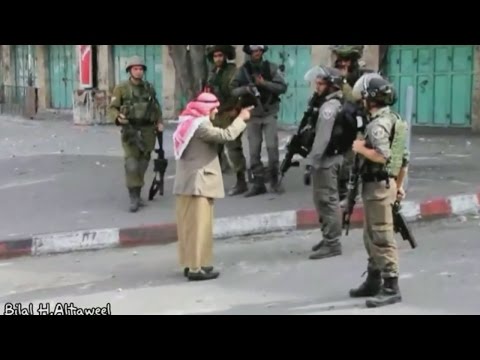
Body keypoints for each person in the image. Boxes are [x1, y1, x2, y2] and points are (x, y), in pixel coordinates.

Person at [172, 92, 253, 281]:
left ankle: (194, 263)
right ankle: (195, 268)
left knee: (192, 227)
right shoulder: (200, 126)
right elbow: (226, 135)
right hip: (198, 183)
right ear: (204, 109)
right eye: (213, 108)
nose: (216, 111)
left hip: (191, 183)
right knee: (198, 228)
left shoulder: (190, 122)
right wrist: (241, 119)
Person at [349, 74, 408, 308]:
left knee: (382, 237)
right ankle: (373, 279)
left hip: (377, 187)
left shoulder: (376, 126)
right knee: (370, 235)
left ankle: (391, 286)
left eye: (363, 97)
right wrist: (399, 185)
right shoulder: (393, 119)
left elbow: (383, 156)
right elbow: (404, 159)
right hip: (386, 185)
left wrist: (361, 148)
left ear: (370, 99)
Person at [303, 66, 359, 260]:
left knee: (327, 201)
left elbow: (322, 138)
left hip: (326, 160)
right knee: (322, 200)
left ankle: (333, 243)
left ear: (331, 85)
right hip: (329, 158)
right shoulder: (329, 103)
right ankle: (328, 237)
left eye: (320, 84)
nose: (317, 87)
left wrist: (312, 161)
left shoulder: (329, 107)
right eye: (316, 83)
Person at [107, 56, 163, 213]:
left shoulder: (149, 88)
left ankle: (137, 193)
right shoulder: (121, 88)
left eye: (141, 69)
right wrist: (118, 117)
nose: (138, 72)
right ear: (130, 71)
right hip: (130, 130)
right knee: (131, 164)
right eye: (135, 69)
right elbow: (112, 108)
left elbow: (155, 106)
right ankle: (133, 197)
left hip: (147, 131)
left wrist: (159, 121)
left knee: (143, 163)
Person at [230, 45, 288, 197]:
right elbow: (233, 90)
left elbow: (282, 87)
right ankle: (258, 183)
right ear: (249, 52)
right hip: (253, 114)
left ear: (262, 51)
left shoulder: (271, 68)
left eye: (259, 50)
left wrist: (264, 84)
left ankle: (274, 180)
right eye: (253, 50)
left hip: (269, 113)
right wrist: (246, 89)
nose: (256, 53)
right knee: (254, 151)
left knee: (272, 148)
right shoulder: (243, 70)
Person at [329, 45, 374, 202]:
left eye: (346, 61)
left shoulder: (360, 78)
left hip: (358, 123)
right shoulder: (334, 76)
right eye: (341, 60)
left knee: (355, 158)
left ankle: (355, 192)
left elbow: (355, 98)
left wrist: (343, 81)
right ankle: (342, 191)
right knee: (341, 159)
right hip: (341, 124)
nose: (343, 64)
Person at [205, 45, 248, 196]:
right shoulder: (212, 74)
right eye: (215, 56)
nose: (218, 59)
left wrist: (236, 110)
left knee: (234, 148)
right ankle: (214, 182)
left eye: (220, 55)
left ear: (225, 56)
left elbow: (241, 93)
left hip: (230, 114)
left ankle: (241, 181)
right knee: (213, 150)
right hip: (216, 115)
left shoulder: (234, 72)